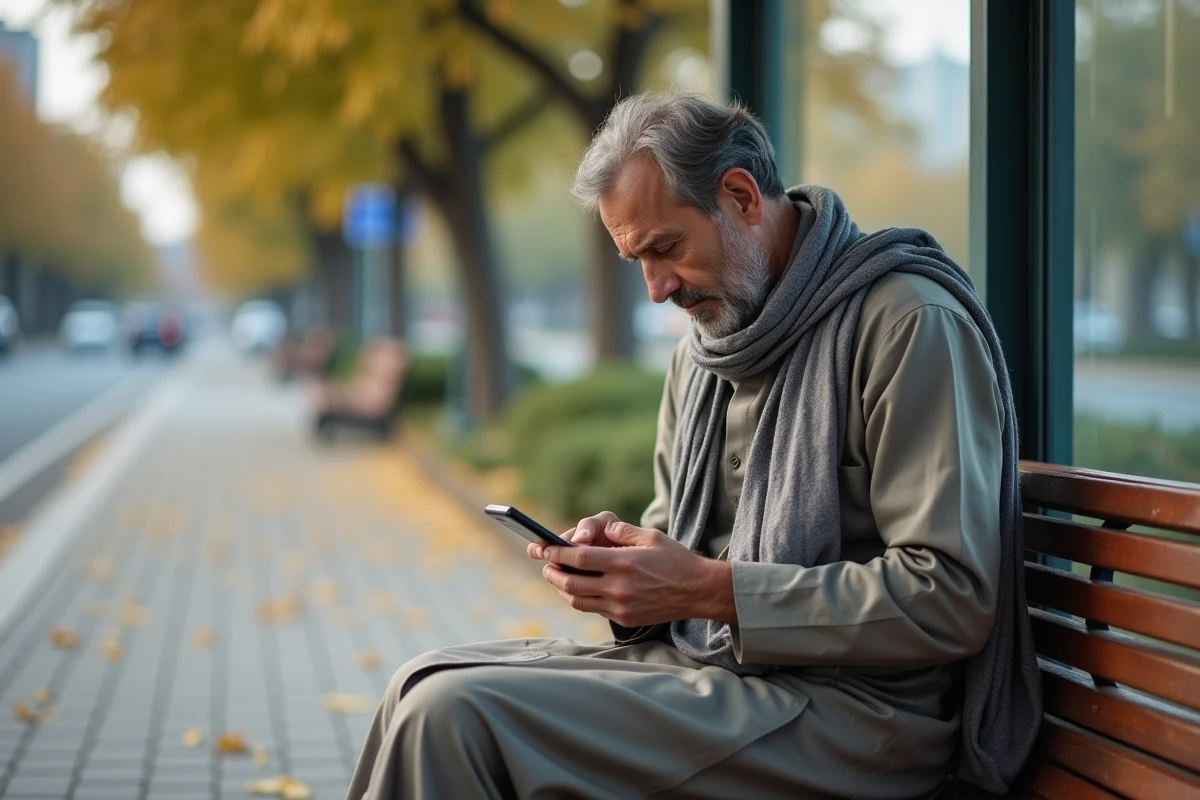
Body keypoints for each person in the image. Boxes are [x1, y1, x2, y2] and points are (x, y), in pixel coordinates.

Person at [346, 92, 1040, 800]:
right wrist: (621, 574)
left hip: (860, 720)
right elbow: (676, 544)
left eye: (666, 248)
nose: (656, 289)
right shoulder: (706, 352)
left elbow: (952, 596)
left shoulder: (906, 323)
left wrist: (712, 590)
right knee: (420, 685)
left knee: (452, 717)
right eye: (635, 259)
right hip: (704, 670)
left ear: (741, 197)